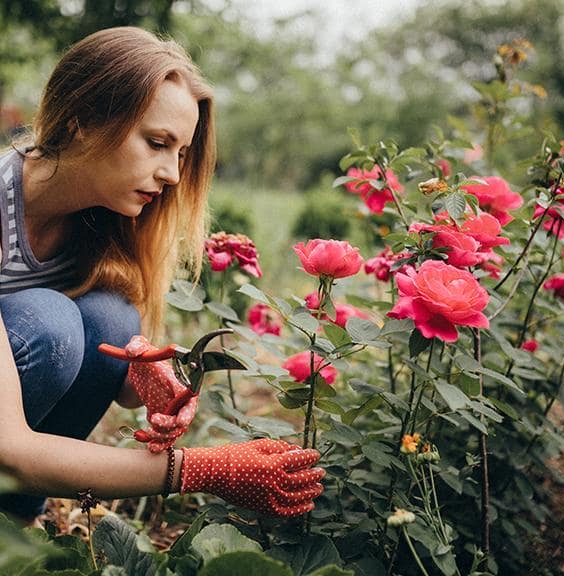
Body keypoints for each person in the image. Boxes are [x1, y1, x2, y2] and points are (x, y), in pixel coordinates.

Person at [0, 26, 324, 523]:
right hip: (9, 448)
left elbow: (121, 388)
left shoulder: (104, 222)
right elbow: (11, 450)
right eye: (156, 143)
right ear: (81, 122)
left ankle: (13, 523)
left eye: (181, 153)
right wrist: (199, 469)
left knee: (111, 317)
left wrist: (152, 377)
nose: (173, 174)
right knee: (51, 322)